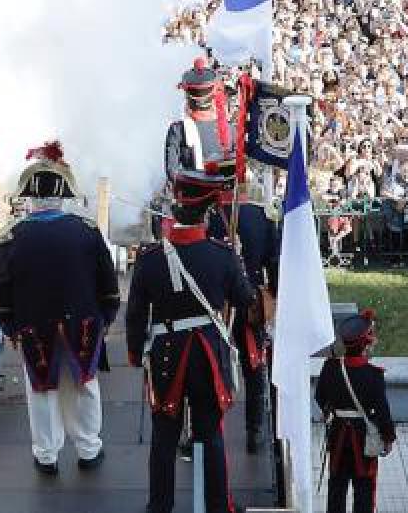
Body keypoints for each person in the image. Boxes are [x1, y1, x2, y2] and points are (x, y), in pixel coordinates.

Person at [127, 172, 254, 513]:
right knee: (210, 435)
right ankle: (217, 506)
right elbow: (245, 301)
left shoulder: (150, 258)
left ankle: (160, 507)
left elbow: (137, 312)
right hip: (207, 353)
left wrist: (135, 351)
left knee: (164, 439)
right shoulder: (223, 255)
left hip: (166, 354)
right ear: (208, 212)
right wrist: (238, 265)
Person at [0, 142, 118, 475]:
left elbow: (2, 294)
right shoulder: (87, 232)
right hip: (84, 323)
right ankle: (89, 449)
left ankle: (46, 455)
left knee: (42, 390)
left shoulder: (11, 238)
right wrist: (105, 320)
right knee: (85, 385)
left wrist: (9, 328)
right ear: (63, 196)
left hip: (34, 326)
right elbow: (108, 286)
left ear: (30, 198)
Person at [208, 179, 278, 454]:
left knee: (213, 366)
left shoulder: (210, 215)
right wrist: (272, 293)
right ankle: (255, 430)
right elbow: (273, 261)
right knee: (254, 368)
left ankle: (209, 429)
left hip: (217, 303)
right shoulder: (261, 216)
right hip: (250, 300)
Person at [315, 309, 396, 513]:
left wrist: (330, 412)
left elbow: (320, 397)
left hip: (338, 435)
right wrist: (388, 437)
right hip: (363, 438)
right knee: (364, 489)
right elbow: (383, 411)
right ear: (365, 343)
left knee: (336, 488)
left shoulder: (330, 368)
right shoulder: (374, 375)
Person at [165, 60, 236, 184]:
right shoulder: (231, 130)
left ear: (188, 96)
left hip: (193, 198)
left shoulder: (177, 130)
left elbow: (173, 173)